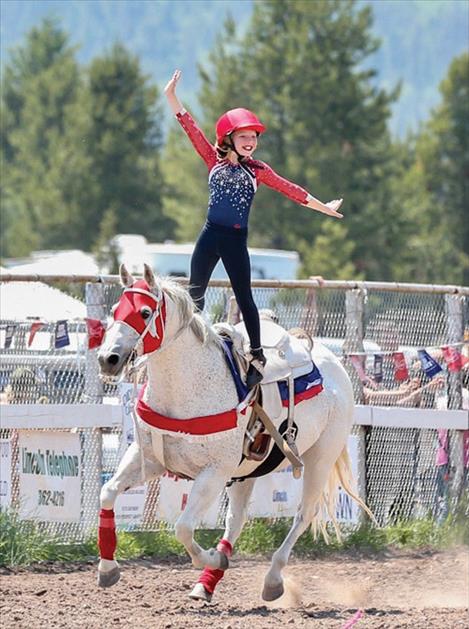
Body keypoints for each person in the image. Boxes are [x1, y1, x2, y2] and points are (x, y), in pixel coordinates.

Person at [164, 70, 343, 388]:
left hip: (234, 239)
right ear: (228, 138)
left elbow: (292, 190)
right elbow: (189, 126)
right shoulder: (212, 159)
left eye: (254, 137)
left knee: (245, 296)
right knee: (195, 295)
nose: (251, 142)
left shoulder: (258, 170)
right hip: (210, 235)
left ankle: (257, 355)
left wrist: (324, 208)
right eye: (244, 137)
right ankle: (185, 347)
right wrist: (171, 96)